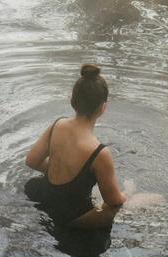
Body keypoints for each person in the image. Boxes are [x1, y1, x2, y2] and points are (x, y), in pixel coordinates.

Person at [24, 64, 127, 229]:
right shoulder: (100, 153)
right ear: (103, 108)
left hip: (43, 197)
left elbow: (32, 161)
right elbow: (113, 201)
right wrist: (126, 194)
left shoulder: (58, 125)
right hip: (71, 215)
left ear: (72, 101)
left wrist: (60, 172)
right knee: (147, 200)